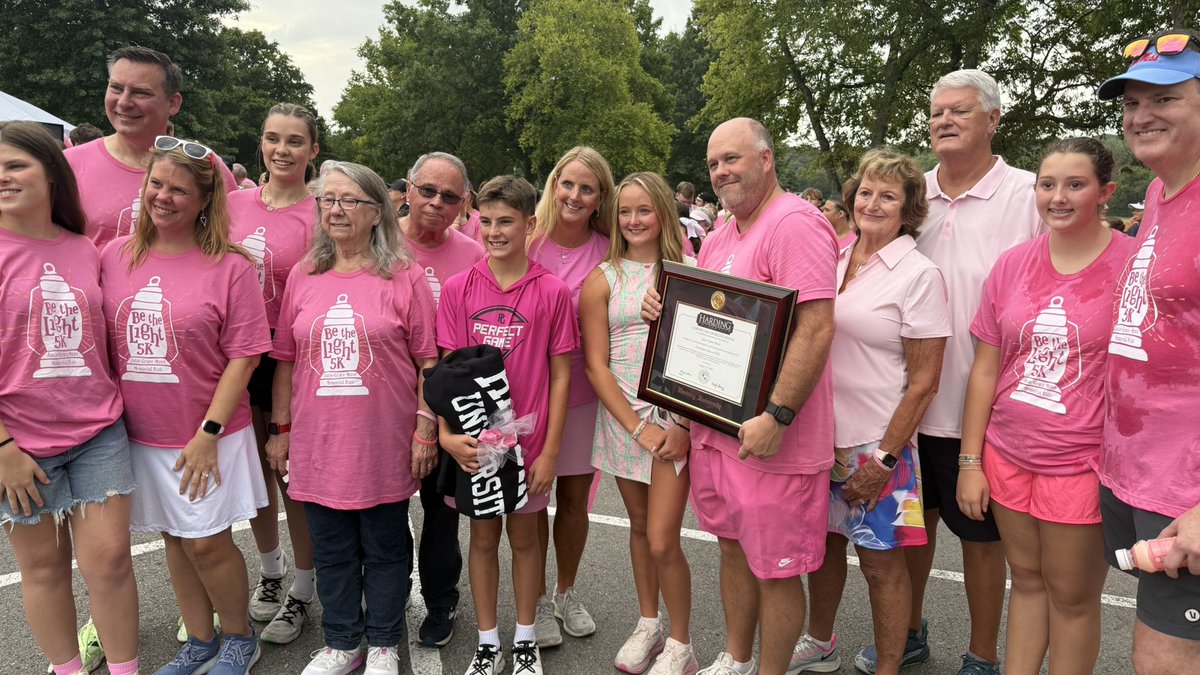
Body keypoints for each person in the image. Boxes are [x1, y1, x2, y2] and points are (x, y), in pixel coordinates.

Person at [643, 117, 837, 675]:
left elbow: (817, 328)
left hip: (773, 439)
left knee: (775, 568)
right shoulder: (725, 231)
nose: (721, 171)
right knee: (731, 548)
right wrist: (668, 313)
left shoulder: (795, 224)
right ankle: (736, 658)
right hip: (716, 431)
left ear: (767, 158)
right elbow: (707, 326)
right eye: (713, 163)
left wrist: (778, 414)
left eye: (733, 158)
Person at [865, 70, 1043, 675]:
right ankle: (910, 632)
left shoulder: (1027, 195)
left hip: (986, 407)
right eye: (936, 111)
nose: (943, 121)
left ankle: (983, 654)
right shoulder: (914, 199)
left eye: (959, 112)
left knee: (982, 542)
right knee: (916, 531)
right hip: (908, 406)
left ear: (993, 119)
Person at [954, 137, 1133, 674]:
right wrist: (970, 461)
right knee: (1026, 585)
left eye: (1075, 184)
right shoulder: (1012, 265)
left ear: (1105, 192)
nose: (1058, 197)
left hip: (1080, 463)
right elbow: (986, 368)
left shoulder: (1131, 265)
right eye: (1047, 184)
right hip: (1007, 454)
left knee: (1073, 601)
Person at [99, 136, 271, 675]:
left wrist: (208, 432)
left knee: (207, 544)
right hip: (140, 432)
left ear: (204, 201)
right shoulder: (112, 255)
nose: (163, 197)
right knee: (175, 538)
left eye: (179, 189)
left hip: (206, 434)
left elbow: (245, 357)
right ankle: (200, 640)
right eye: (156, 184)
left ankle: (240, 637)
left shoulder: (230, 266)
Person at [265, 161, 436, 675]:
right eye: (327, 200)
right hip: (318, 440)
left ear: (376, 211)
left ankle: (383, 640)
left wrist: (425, 427)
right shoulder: (304, 275)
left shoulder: (404, 277)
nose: (335, 210)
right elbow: (286, 360)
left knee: (385, 545)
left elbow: (429, 361)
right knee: (333, 546)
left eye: (348, 200)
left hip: (383, 437)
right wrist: (280, 430)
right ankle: (343, 640)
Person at [790, 149, 949, 675]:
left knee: (881, 566)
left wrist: (884, 458)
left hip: (877, 444)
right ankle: (820, 641)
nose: (872, 203)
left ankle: (888, 666)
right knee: (824, 549)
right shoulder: (832, 257)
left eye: (888, 195)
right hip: (817, 435)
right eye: (865, 192)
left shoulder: (919, 274)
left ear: (909, 209)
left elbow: (925, 382)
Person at [0, 122, 140, 675]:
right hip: (19, 445)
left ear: (51, 173)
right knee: (44, 570)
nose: (2, 177)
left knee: (109, 563)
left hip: (97, 431)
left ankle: (126, 669)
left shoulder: (86, 249)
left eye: (15, 165)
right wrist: (4, 446)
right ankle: (67, 669)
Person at [437, 175, 576, 675]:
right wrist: (448, 435)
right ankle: (488, 640)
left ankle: (524, 640)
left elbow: (561, 377)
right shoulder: (459, 288)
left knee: (524, 538)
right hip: (476, 442)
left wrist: (551, 450)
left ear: (530, 224)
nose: (494, 231)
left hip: (528, 442)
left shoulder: (553, 292)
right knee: (481, 539)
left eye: (506, 222)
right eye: (486, 221)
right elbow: (450, 372)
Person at [1095, 28, 1200, 673]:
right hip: (1137, 469)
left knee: (1161, 661)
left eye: (1165, 97)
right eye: (1132, 102)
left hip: (1185, 488)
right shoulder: (1161, 196)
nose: (1141, 115)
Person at [581, 172, 697, 675]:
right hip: (624, 421)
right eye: (625, 211)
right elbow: (595, 365)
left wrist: (684, 427)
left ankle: (681, 642)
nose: (633, 220)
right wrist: (633, 426)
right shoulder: (603, 278)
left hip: (673, 423)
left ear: (664, 213)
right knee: (638, 527)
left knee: (663, 538)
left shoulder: (691, 271)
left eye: (644, 210)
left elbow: (715, 353)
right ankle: (648, 622)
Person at [227, 102, 321, 646]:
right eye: (271, 138)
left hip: (292, 358)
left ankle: (304, 589)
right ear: (260, 144)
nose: (281, 150)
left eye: (293, 141)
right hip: (238, 356)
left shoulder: (319, 212)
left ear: (313, 151)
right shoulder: (233, 204)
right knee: (256, 474)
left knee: (291, 475)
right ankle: (271, 571)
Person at [527, 146, 615, 647]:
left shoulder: (610, 249)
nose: (575, 196)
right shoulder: (528, 240)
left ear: (600, 196)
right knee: (534, 501)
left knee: (575, 500)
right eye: (568, 184)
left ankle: (566, 591)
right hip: (529, 393)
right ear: (554, 183)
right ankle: (535, 597)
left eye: (587, 188)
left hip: (584, 392)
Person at [398, 151, 485, 647]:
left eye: (449, 196)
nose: (435, 202)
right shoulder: (379, 242)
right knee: (384, 510)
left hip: (447, 404)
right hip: (384, 397)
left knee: (441, 512)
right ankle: (380, 597)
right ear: (407, 189)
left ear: (464, 203)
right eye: (427, 190)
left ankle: (440, 600)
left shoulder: (472, 255)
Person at [66, 45, 235, 248]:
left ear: (173, 103)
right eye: (116, 88)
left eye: (141, 93)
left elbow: (226, 242)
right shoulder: (68, 164)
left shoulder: (206, 166)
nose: (124, 102)